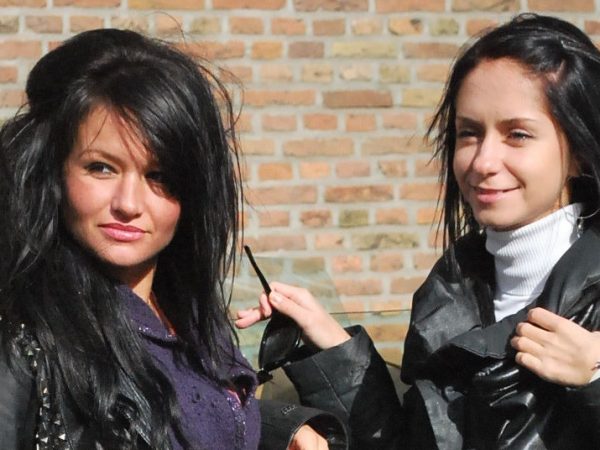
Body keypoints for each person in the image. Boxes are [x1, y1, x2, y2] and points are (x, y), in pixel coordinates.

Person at [236, 13, 600, 449]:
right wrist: (332, 345)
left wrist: (594, 379)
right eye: (469, 133)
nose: (483, 161)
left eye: (517, 134)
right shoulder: (449, 290)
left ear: (579, 149)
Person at [0, 28, 344, 449]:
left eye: (158, 176)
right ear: (54, 169)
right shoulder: (24, 334)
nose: (128, 204)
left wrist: (279, 430)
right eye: (101, 168)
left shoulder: (190, 317)